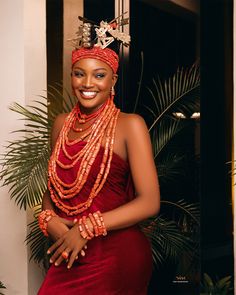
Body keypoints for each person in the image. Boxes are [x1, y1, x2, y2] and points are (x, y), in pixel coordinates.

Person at [38, 16, 160, 295]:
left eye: (99, 75)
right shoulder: (61, 123)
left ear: (113, 80)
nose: (87, 83)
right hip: (70, 251)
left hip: (116, 253)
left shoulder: (131, 125)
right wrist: (48, 219)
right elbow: (54, 188)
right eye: (79, 73)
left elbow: (150, 202)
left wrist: (85, 229)